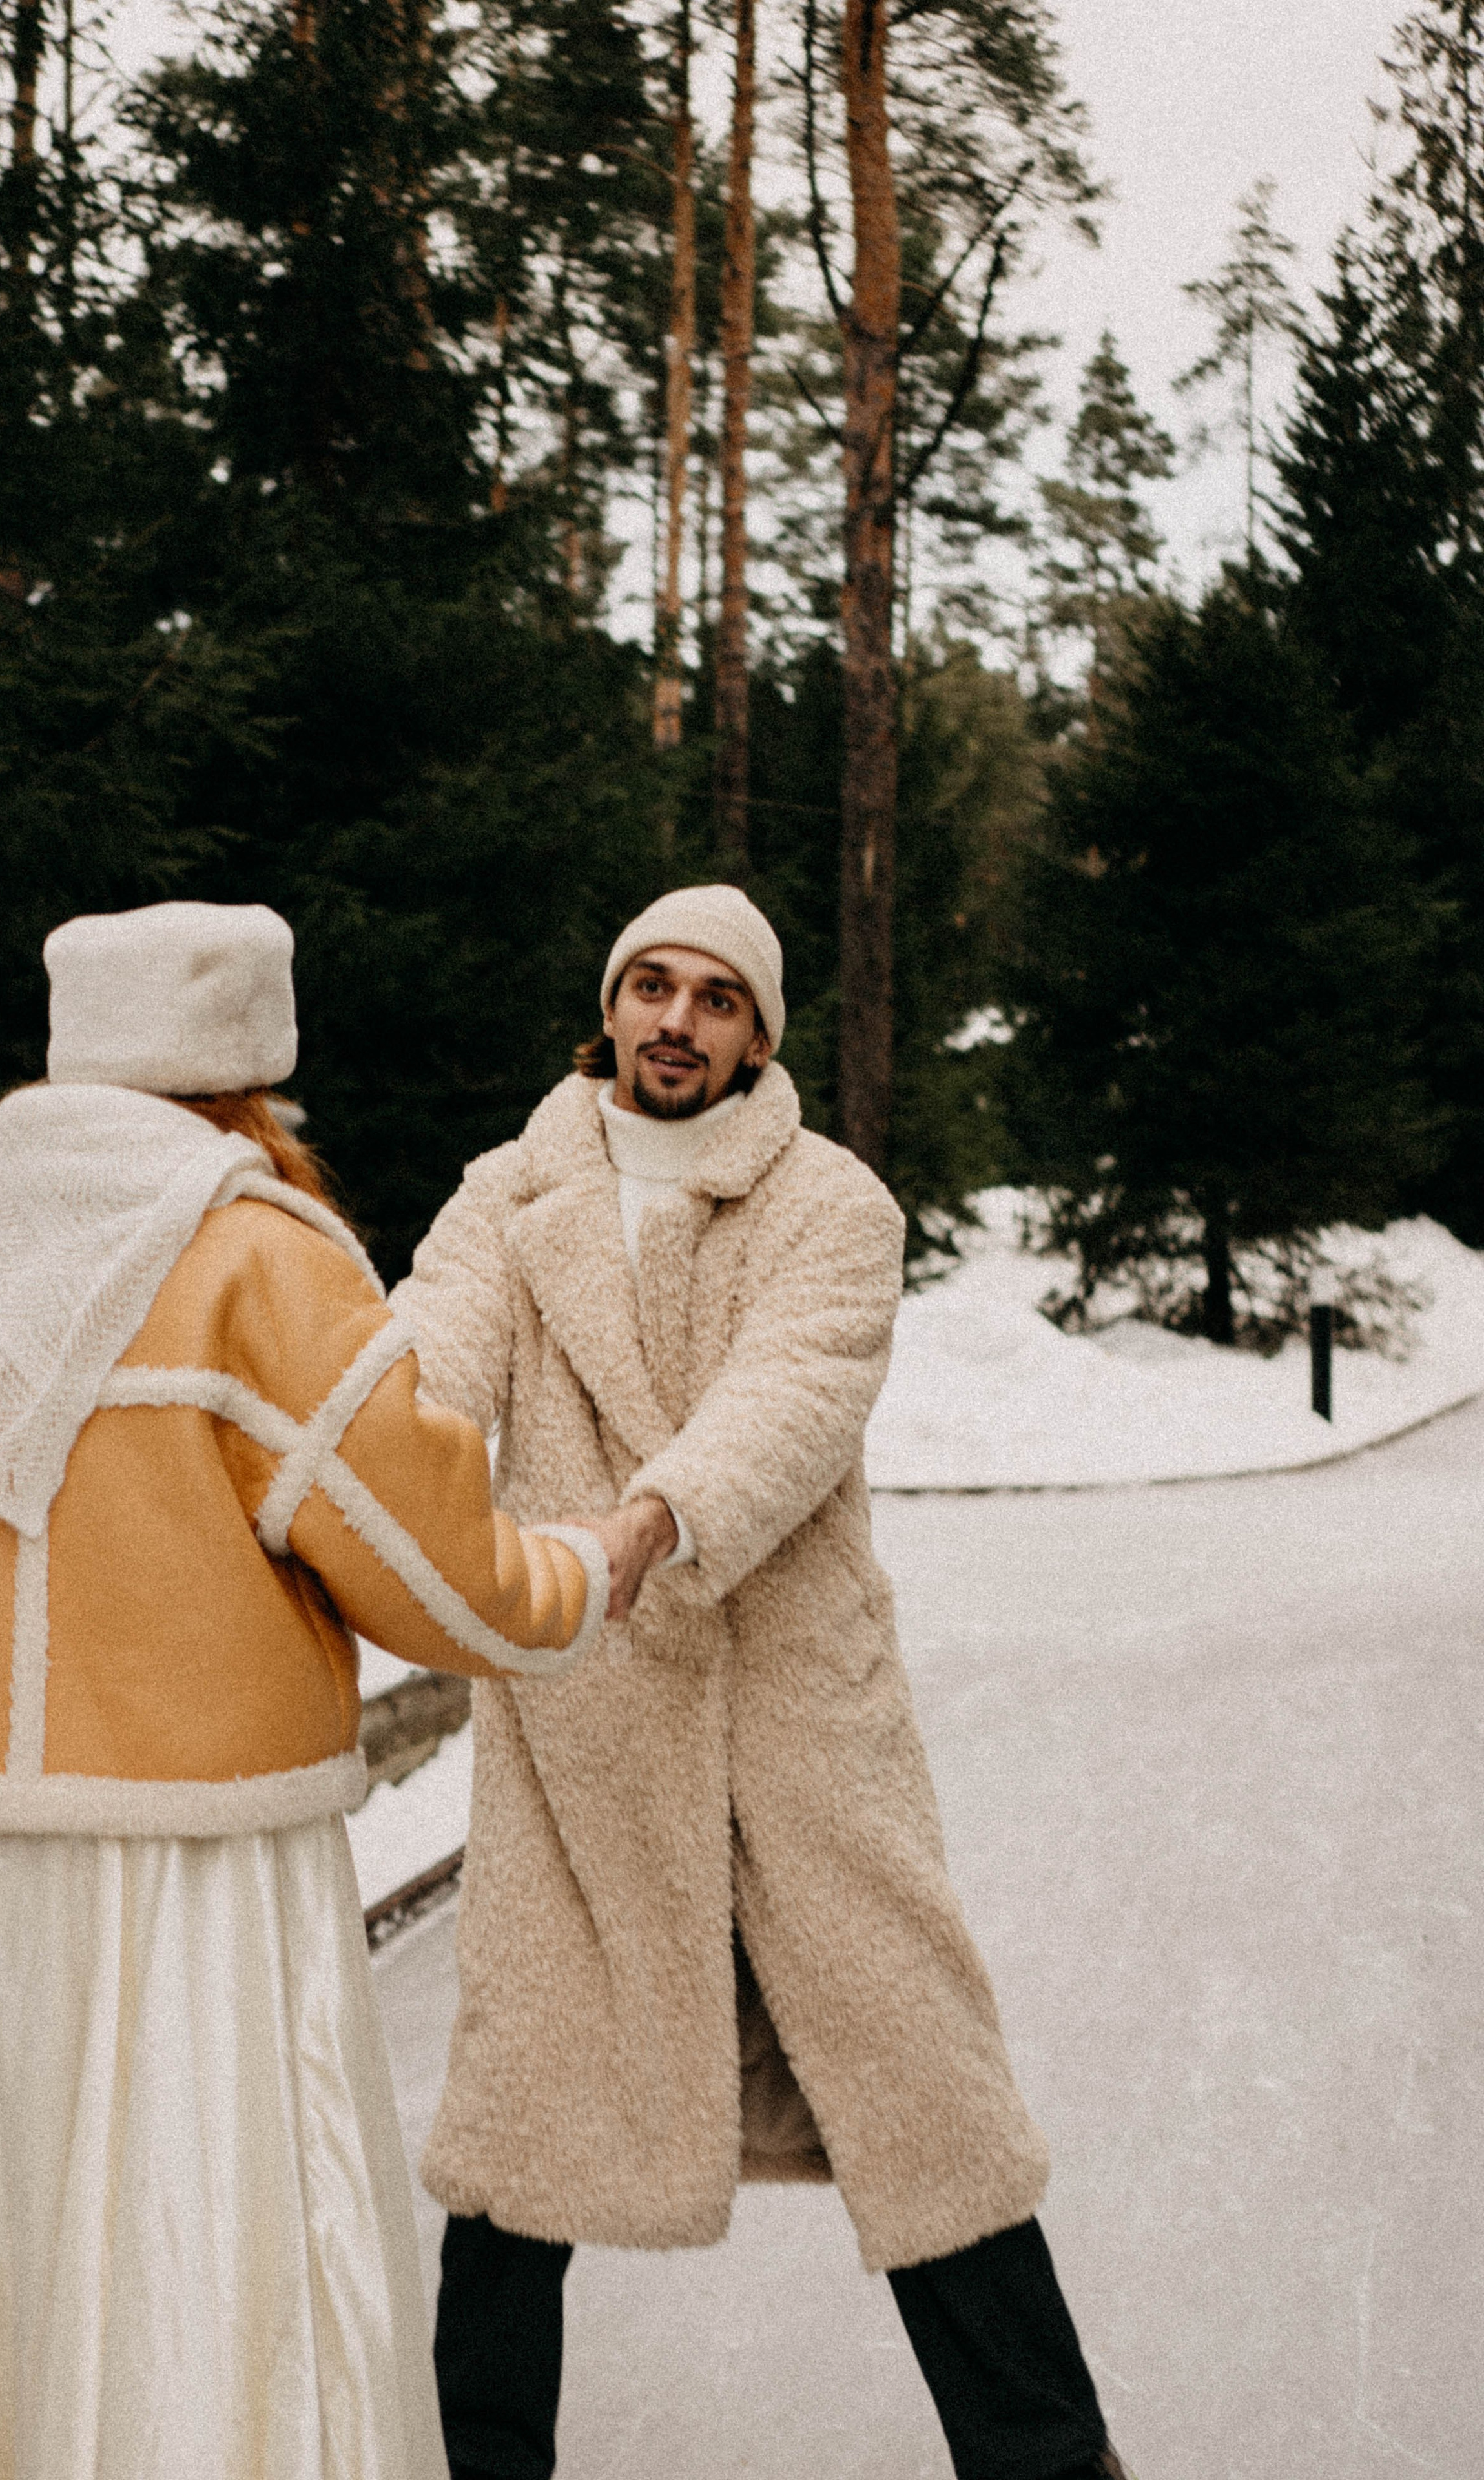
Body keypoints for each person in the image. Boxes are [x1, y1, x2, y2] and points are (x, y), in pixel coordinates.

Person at [0, 900, 611, 2480]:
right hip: (211, 1865)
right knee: (222, 2225)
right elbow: (440, 1571)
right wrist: (592, 1565)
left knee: (11, 2228)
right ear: (251, 1070)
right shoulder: (257, 1258)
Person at [393, 885, 1131, 2480]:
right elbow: (427, 1373)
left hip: (798, 1723)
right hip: (579, 1727)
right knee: (515, 2136)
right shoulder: (505, 1193)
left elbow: (792, 1398)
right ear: (610, 1008)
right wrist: (367, 1470)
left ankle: (1050, 2462)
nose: (675, 1020)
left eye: (715, 1000)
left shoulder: (832, 1204)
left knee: (927, 2111)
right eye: (650, 988)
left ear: (757, 1033)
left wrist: (638, 1524)